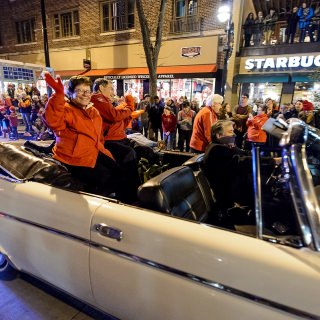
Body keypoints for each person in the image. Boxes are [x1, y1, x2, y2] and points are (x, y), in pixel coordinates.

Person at [42, 72, 130, 201]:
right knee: (106, 178)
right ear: (71, 93)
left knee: (121, 172)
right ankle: (95, 205)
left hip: (94, 152)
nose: (85, 94)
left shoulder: (93, 110)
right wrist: (58, 95)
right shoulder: (66, 109)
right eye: (79, 91)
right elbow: (53, 121)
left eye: (87, 91)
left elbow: (98, 135)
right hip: (73, 157)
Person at [90, 78, 141, 203]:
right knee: (128, 155)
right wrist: (129, 107)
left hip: (114, 138)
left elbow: (117, 118)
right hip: (105, 141)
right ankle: (131, 195)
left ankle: (135, 191)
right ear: (101, 88)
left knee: (143, 151)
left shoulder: (105, 101)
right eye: (111, 88)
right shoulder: (97, 98)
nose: (113, 92)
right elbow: (114, 116)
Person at [202, 120, 252, 213]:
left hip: (233, 190)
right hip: (225, 199)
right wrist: (272, 161)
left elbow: (244, 154)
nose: (234, 134)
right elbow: (241, 162)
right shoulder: (216, 149)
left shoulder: (225, 145)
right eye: (230, 132)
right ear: (219, 135)